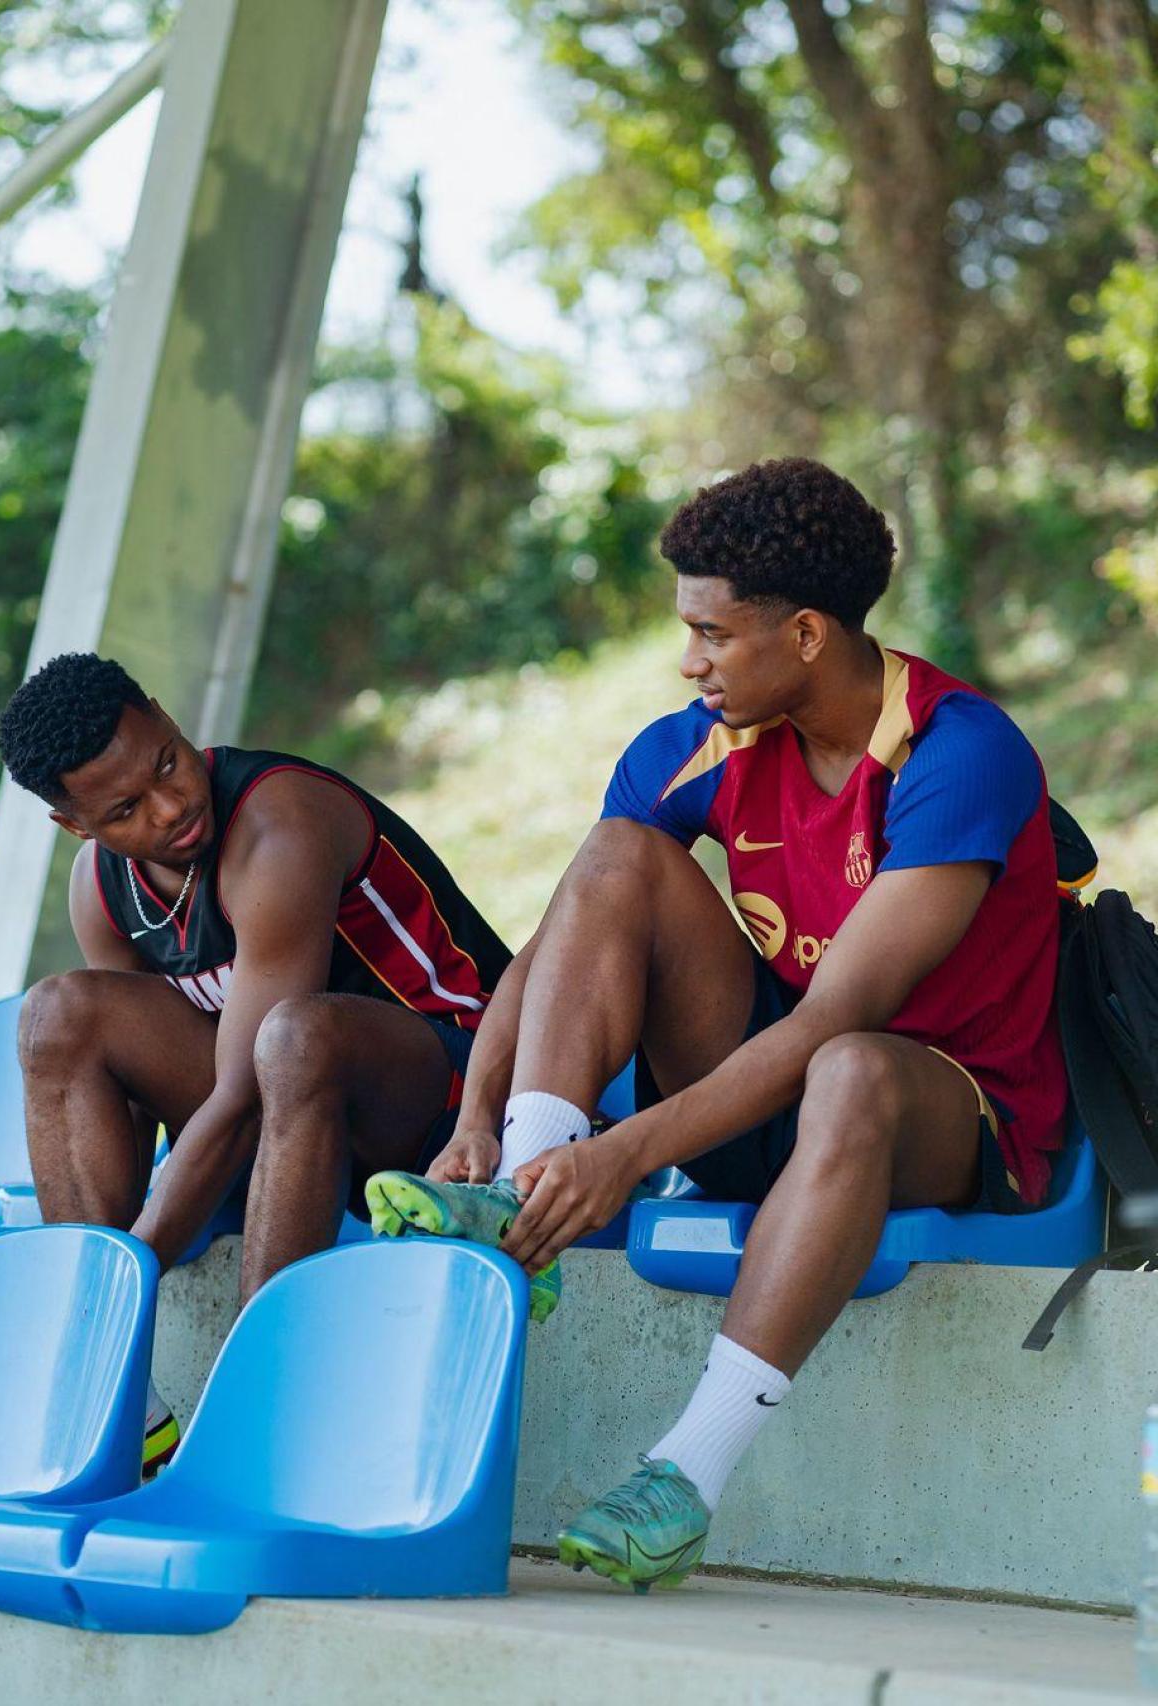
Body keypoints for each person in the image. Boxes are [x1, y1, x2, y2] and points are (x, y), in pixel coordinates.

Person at [365, 457, 1067, 1591]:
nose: (687, 660)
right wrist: (485, 1123)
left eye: (712, 633)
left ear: (802, 634)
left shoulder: (954, 750)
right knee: (612, 856)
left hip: (944, 1112)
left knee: (846, 1066)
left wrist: (627, 1151)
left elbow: (840, 1015)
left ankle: (682, 1477)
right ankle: (523, 1205)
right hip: (764, 1091)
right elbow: (555, 944)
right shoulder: (694, 741)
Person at [0, 652, 511, 1474]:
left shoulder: (280, 822)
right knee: (59, 1014)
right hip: (293, 1125)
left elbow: (239, 1095)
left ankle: (258, 1416)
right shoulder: (100, 885)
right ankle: (127, 1405)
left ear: (166, 715)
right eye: (126, 808)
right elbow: (131, 1092)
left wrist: (119, 1290)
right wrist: (95, 1263)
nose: (171, 807)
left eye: (168, 761)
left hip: (447, 1096)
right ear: (78, 826)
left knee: (293, 1039)